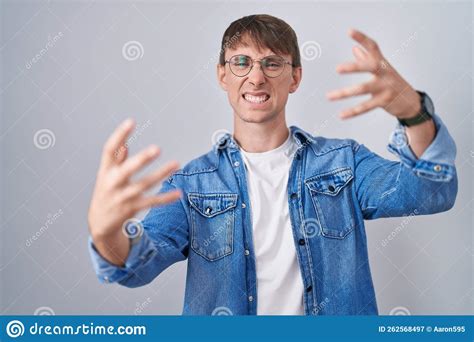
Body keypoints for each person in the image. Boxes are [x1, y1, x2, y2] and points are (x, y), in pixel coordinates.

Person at [87, 14, 458, 315]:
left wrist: (414, 115)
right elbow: (135, 268)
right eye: (242, 62)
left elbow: (429, 191)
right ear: (222, 75)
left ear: (295, 77)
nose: (257, 76)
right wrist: (105, 233)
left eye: (272, 63)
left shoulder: (344, 163)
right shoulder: (191, 184)